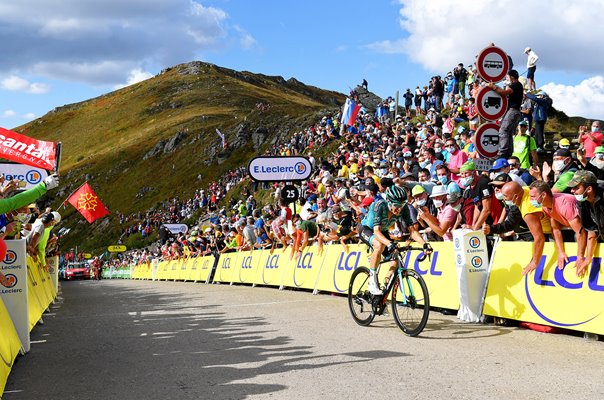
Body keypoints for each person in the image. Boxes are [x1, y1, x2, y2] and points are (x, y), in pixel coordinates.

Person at [358, 185, 432, 295]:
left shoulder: (404, 208)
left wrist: (424, 244)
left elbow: (412, 231)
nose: (399, 209)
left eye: (401, 205)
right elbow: (376, 232)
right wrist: (389, 243)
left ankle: (383, 292)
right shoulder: (379, 205)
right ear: (389, 202)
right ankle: (372, 283)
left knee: (395, 260)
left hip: (383, 232)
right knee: (379, 245)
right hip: (367, 229)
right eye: (396, 206)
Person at [528, 181, 586, 270]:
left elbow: (580, 232)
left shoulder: (564, 204)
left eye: (533, 196)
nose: (530, 200)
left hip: (591, 229)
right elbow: (555, 229)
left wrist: (580, 256)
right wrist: (561, 252)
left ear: (543, 195)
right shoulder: (545, 206)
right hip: (577, 229)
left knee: (577, 236)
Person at [500, 181, 552, 275]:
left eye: (505, 196)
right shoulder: (525, 189)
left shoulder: (528, 212)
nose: (503, 199)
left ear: (516, 197)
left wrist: (534, 262)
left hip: (552, 232)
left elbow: (539, 238)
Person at [568, 170, 604, 277]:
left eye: (576, 188)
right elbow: (592, 231)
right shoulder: (581, 201)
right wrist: (588, 258)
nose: (572, 191)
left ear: (589, 189)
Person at [488, 69, 523, 159]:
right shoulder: (517, 85)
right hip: (515, 111)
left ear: (511, 77)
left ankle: (502, 152)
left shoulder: (516, 85)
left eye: (508, 76)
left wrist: (494, 87)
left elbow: (504, 93)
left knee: (503, 131)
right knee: (509, 132)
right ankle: (508, 153)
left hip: (513, 111)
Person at [459, 161, 492, 231]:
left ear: (474, 172)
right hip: (486, 222)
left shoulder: (483, 183)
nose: (464, 176)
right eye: (462, 174)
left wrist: (475, 227)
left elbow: (486, 209)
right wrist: (473, 225)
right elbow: (477, 207)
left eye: (466, 173)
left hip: (494, 218)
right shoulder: (471, 187)